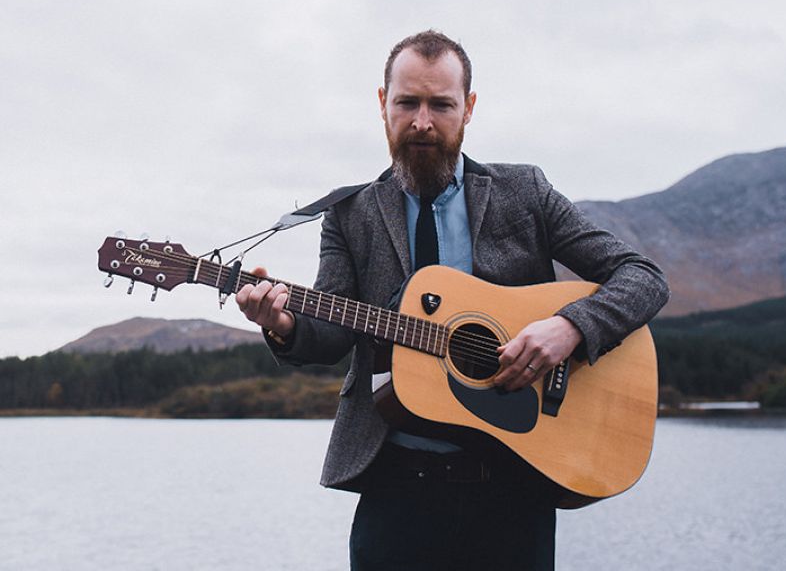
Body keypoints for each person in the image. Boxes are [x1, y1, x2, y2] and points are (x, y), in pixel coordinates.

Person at [236, 30, 669, 571]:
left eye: (440, 105)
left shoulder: (524, 193)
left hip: (515, 489)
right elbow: (332, 332)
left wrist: (569, 328)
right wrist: (282, 324)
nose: (422, 122)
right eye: (407, 103)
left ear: (468, 108)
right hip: (396, 491)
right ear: (381, 104)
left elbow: (643, 276)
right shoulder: (350, 215)